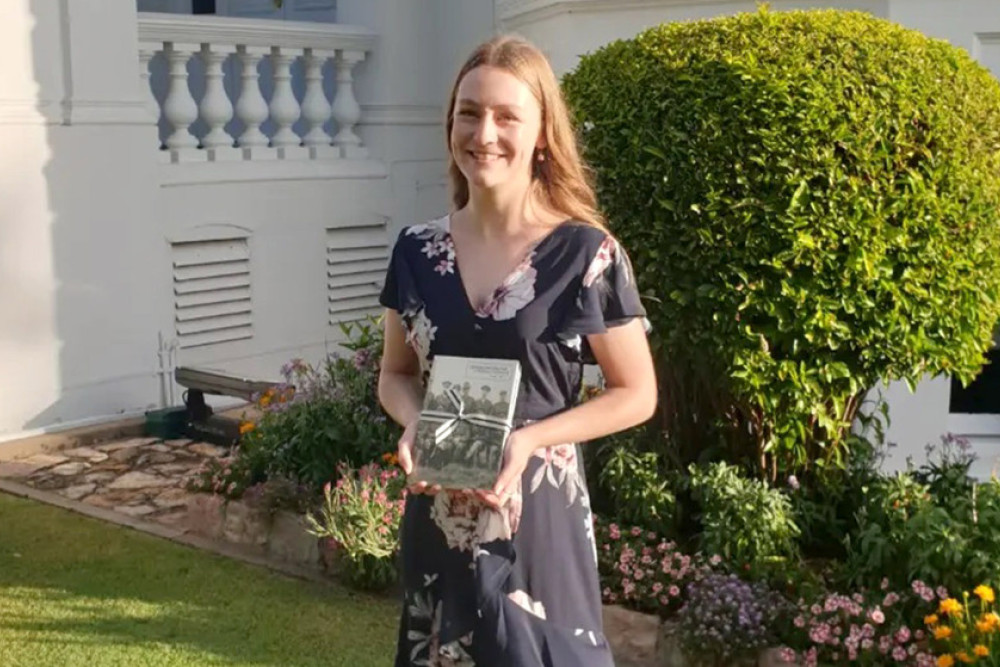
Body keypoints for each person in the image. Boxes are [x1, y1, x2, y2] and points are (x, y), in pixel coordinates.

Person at [377, 34, 657, 667]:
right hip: (439, 515)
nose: (485, 133)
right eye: (470, 112)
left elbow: (637, 393)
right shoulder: (416, 252)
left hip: (539, 523)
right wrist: (415, 421)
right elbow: (394, 375)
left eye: (507, 116)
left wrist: (528, 440)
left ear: (540, 135)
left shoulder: (585, 255)